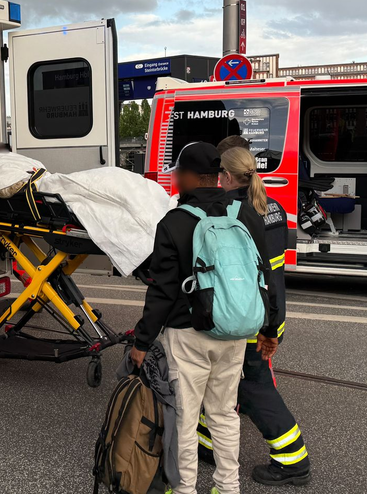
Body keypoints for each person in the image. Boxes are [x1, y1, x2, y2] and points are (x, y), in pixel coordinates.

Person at [130, 142, 280, 494]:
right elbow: (264, 277)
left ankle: (184, 489)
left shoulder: (174, 221)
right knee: (224, 413)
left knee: (184, 417)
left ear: (190, 177)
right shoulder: (245, 214)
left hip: (188, 334)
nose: (174, 180)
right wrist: (269, 329)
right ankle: (228, 487)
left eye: (177, 173)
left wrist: (141, 341)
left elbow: (162, 291)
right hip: (233, 332)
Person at [195, 136, 311, 486]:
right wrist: (273, 325)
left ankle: (293, 461)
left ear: (227, 177)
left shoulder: (229, 211)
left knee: (251, 386)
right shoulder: (272, 205)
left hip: (243, 317)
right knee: (219, 381)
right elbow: (271, 272)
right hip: (267, 311)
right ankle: (208, 443)